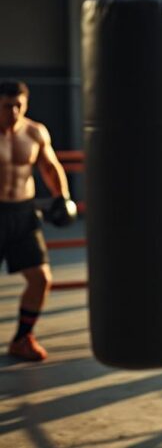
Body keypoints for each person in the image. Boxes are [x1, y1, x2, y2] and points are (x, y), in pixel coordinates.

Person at [0, 80, 77, 361]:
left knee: (40, 278)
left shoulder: (34, 132)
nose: (14, 111)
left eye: (19, 105)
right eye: (8, 106)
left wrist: (62, 196)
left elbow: (49, 165)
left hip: (22, 213)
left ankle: (22, 338)